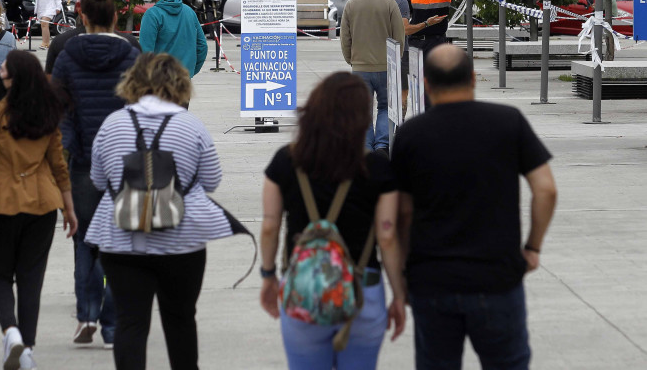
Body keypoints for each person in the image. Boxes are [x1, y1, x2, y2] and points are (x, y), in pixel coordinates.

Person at [390, 44, 557, 370]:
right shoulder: (508, 122)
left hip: (433, 280)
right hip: (497, 279)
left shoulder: (411, 135)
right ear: (472, 78)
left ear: (425, 83)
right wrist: (533, 247)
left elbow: (403, 212)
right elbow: (546, 189)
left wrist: (405, 273)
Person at [87, 52, 243, 370]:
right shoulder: (191, 126)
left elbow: (99, 180)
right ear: (179, 84)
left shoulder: (112, 124)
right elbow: (211, 181)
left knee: (131, 323)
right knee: (181, 319)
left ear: (133, 82)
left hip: (122, 238)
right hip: (180, 240)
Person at [259, 72, 406, 370]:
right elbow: (387, 236)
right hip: (362, 289)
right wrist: (399, 295)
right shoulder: (377, 167)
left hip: (303, 288)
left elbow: (270, 226)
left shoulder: (286, 161)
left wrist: (268, 275)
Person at [0, 51, 78, 370]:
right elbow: (58, 163)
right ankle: (26, 348)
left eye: (3, 68)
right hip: (43, 204)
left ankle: (10, 332)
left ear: (14, 78)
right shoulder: (48, 112)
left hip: (0, 202)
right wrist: (69, 208)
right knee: (31, 277)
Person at [52, 0, 140, 350]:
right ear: (116, 17)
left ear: (83, 15)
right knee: (118, 243)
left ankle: (86, 313)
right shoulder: (132, 53)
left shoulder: (68, 53)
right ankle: (110, 323)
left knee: (84, 239)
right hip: (125, 161)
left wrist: (66, 146)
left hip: (83, 159)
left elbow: (58, 108)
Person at [340, 0, 405, 155]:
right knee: (386, 107)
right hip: (386, 65)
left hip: (360, 67)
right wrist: (396, 60)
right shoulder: (389, 4)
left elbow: (345, 38)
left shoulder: (351, 5)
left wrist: (351, 59)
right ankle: (383, 145)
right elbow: (399, 36)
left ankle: (366, 147)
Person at [388, 0, 445, 118]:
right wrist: (426, 23)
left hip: (388, 51)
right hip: (402, 51)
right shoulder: (402, 2)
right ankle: (399, 128)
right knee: (404, 93)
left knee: (391, 95)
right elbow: (406, 29)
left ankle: (391, 130)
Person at [45, 0, 141, 79]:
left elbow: (51, 86)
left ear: (83, 16)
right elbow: (141, 87)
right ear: (114, 16)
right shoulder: (131, 44)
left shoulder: (60, 44)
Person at [138, 0, 208, 78]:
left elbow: (145, 54)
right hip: (183, 83)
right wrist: (190, 72)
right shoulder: (189, 11)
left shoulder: (152, 15)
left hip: (159, 84)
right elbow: (202, 46)